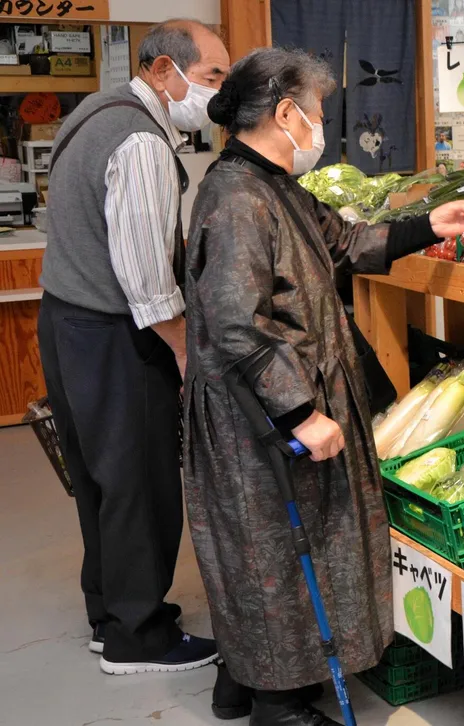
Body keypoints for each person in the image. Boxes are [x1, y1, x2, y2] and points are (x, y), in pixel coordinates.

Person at [186, 47, 464, 726]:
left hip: (276, 402)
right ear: (285, 113)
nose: (322, 128)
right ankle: (277, 703)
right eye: (317, 113)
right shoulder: (236, 200)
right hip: (256, 417)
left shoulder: (273, 184)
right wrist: (298, 414)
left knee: (279, 549)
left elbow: (344, 242)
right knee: (271, 550)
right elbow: (236, 324)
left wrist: (429, 225)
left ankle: (247, 678)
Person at [38, 19, 227, 679]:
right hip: (116, 333)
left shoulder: (92, 110)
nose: (216, 93)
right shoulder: (141, 142)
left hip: (64, 321)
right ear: (163, 70)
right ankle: (138, 637)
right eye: (211, 78)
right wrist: (183, 354)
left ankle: (108, 615)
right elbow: (147, 282)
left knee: (97, 481)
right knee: (139, 482)